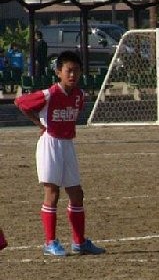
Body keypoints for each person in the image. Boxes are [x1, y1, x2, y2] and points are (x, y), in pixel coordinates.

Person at [14, 50, 106, 257]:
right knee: (52, 193)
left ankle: (79, 242)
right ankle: (50, 242)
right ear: (58, 72)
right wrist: (39, 123)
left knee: (77, 193)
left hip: (67, 144)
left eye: (76, 71)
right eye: (68, 71)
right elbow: (20, 102)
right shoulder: (50, 94)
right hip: (50, 143)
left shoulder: (79, 95)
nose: (72, 75)